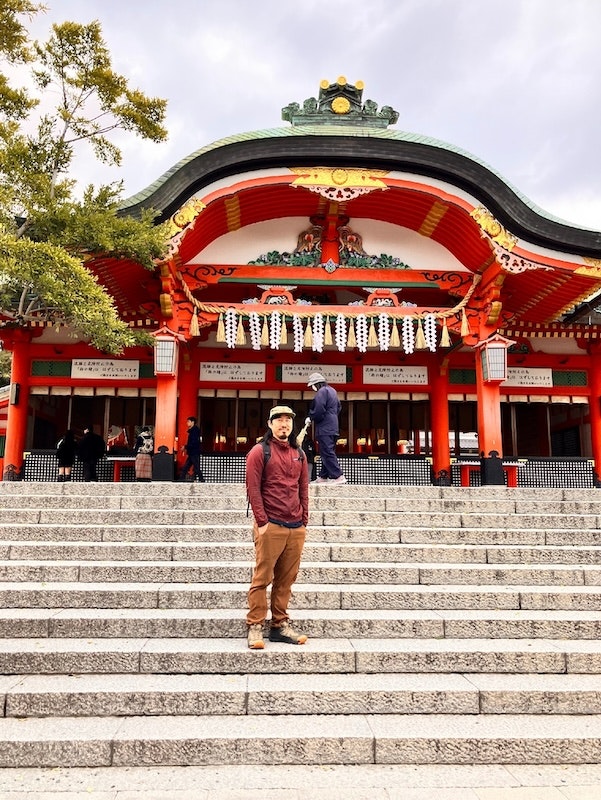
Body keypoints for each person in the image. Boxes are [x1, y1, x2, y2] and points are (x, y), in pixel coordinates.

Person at [245, 405, 309, 650]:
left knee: (286, 580)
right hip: (271, 524)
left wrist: (305, 520)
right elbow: (253, 488)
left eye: (288, 420)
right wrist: (262, 522)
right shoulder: (259, 452)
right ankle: (255, 625)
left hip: (295, 525)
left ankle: (280, 625)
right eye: (279, 420)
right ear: (269, 424)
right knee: (262, 578)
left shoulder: (299, 454)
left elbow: (303, 487)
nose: (284, 424)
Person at [306, 372, 346, 484]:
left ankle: (338, 475)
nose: (312, 388)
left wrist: (311, 417)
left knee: (326, 451)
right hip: (333, 426)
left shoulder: (322, 392)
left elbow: (319, 408)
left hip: (324, 427)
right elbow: (338, 407)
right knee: (327, 451)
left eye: (312, 386)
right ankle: (323, 476)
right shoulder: (332, 391)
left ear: (316, 384)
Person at [179, 416, 205, 482]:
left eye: (188, 421)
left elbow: (194, 442)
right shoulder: (193, 431)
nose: (187, 423)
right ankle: (181, 479)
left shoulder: (195, 431)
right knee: (187, 467)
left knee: (195, 467)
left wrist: (185, 446)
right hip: (192, 452)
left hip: (194, 452)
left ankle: (201, 479)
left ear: (192, 422)